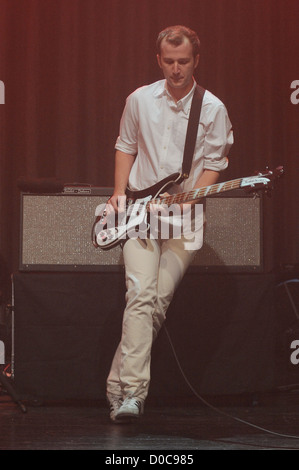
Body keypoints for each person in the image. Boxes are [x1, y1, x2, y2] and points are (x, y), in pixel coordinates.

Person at [105, 25, 233, 423]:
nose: (177, 69)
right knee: (141, 294)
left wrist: (193, 195)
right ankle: (133, 395)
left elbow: (215, 164)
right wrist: (119, 192)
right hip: (140, 215)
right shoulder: (139, 99)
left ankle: (114, 386)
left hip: (184, 219)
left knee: (156, 302)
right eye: (170, 61)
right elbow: (125, 145)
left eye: (184, 62)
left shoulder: (212, 108)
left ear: (196, 61)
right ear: (159, 59)